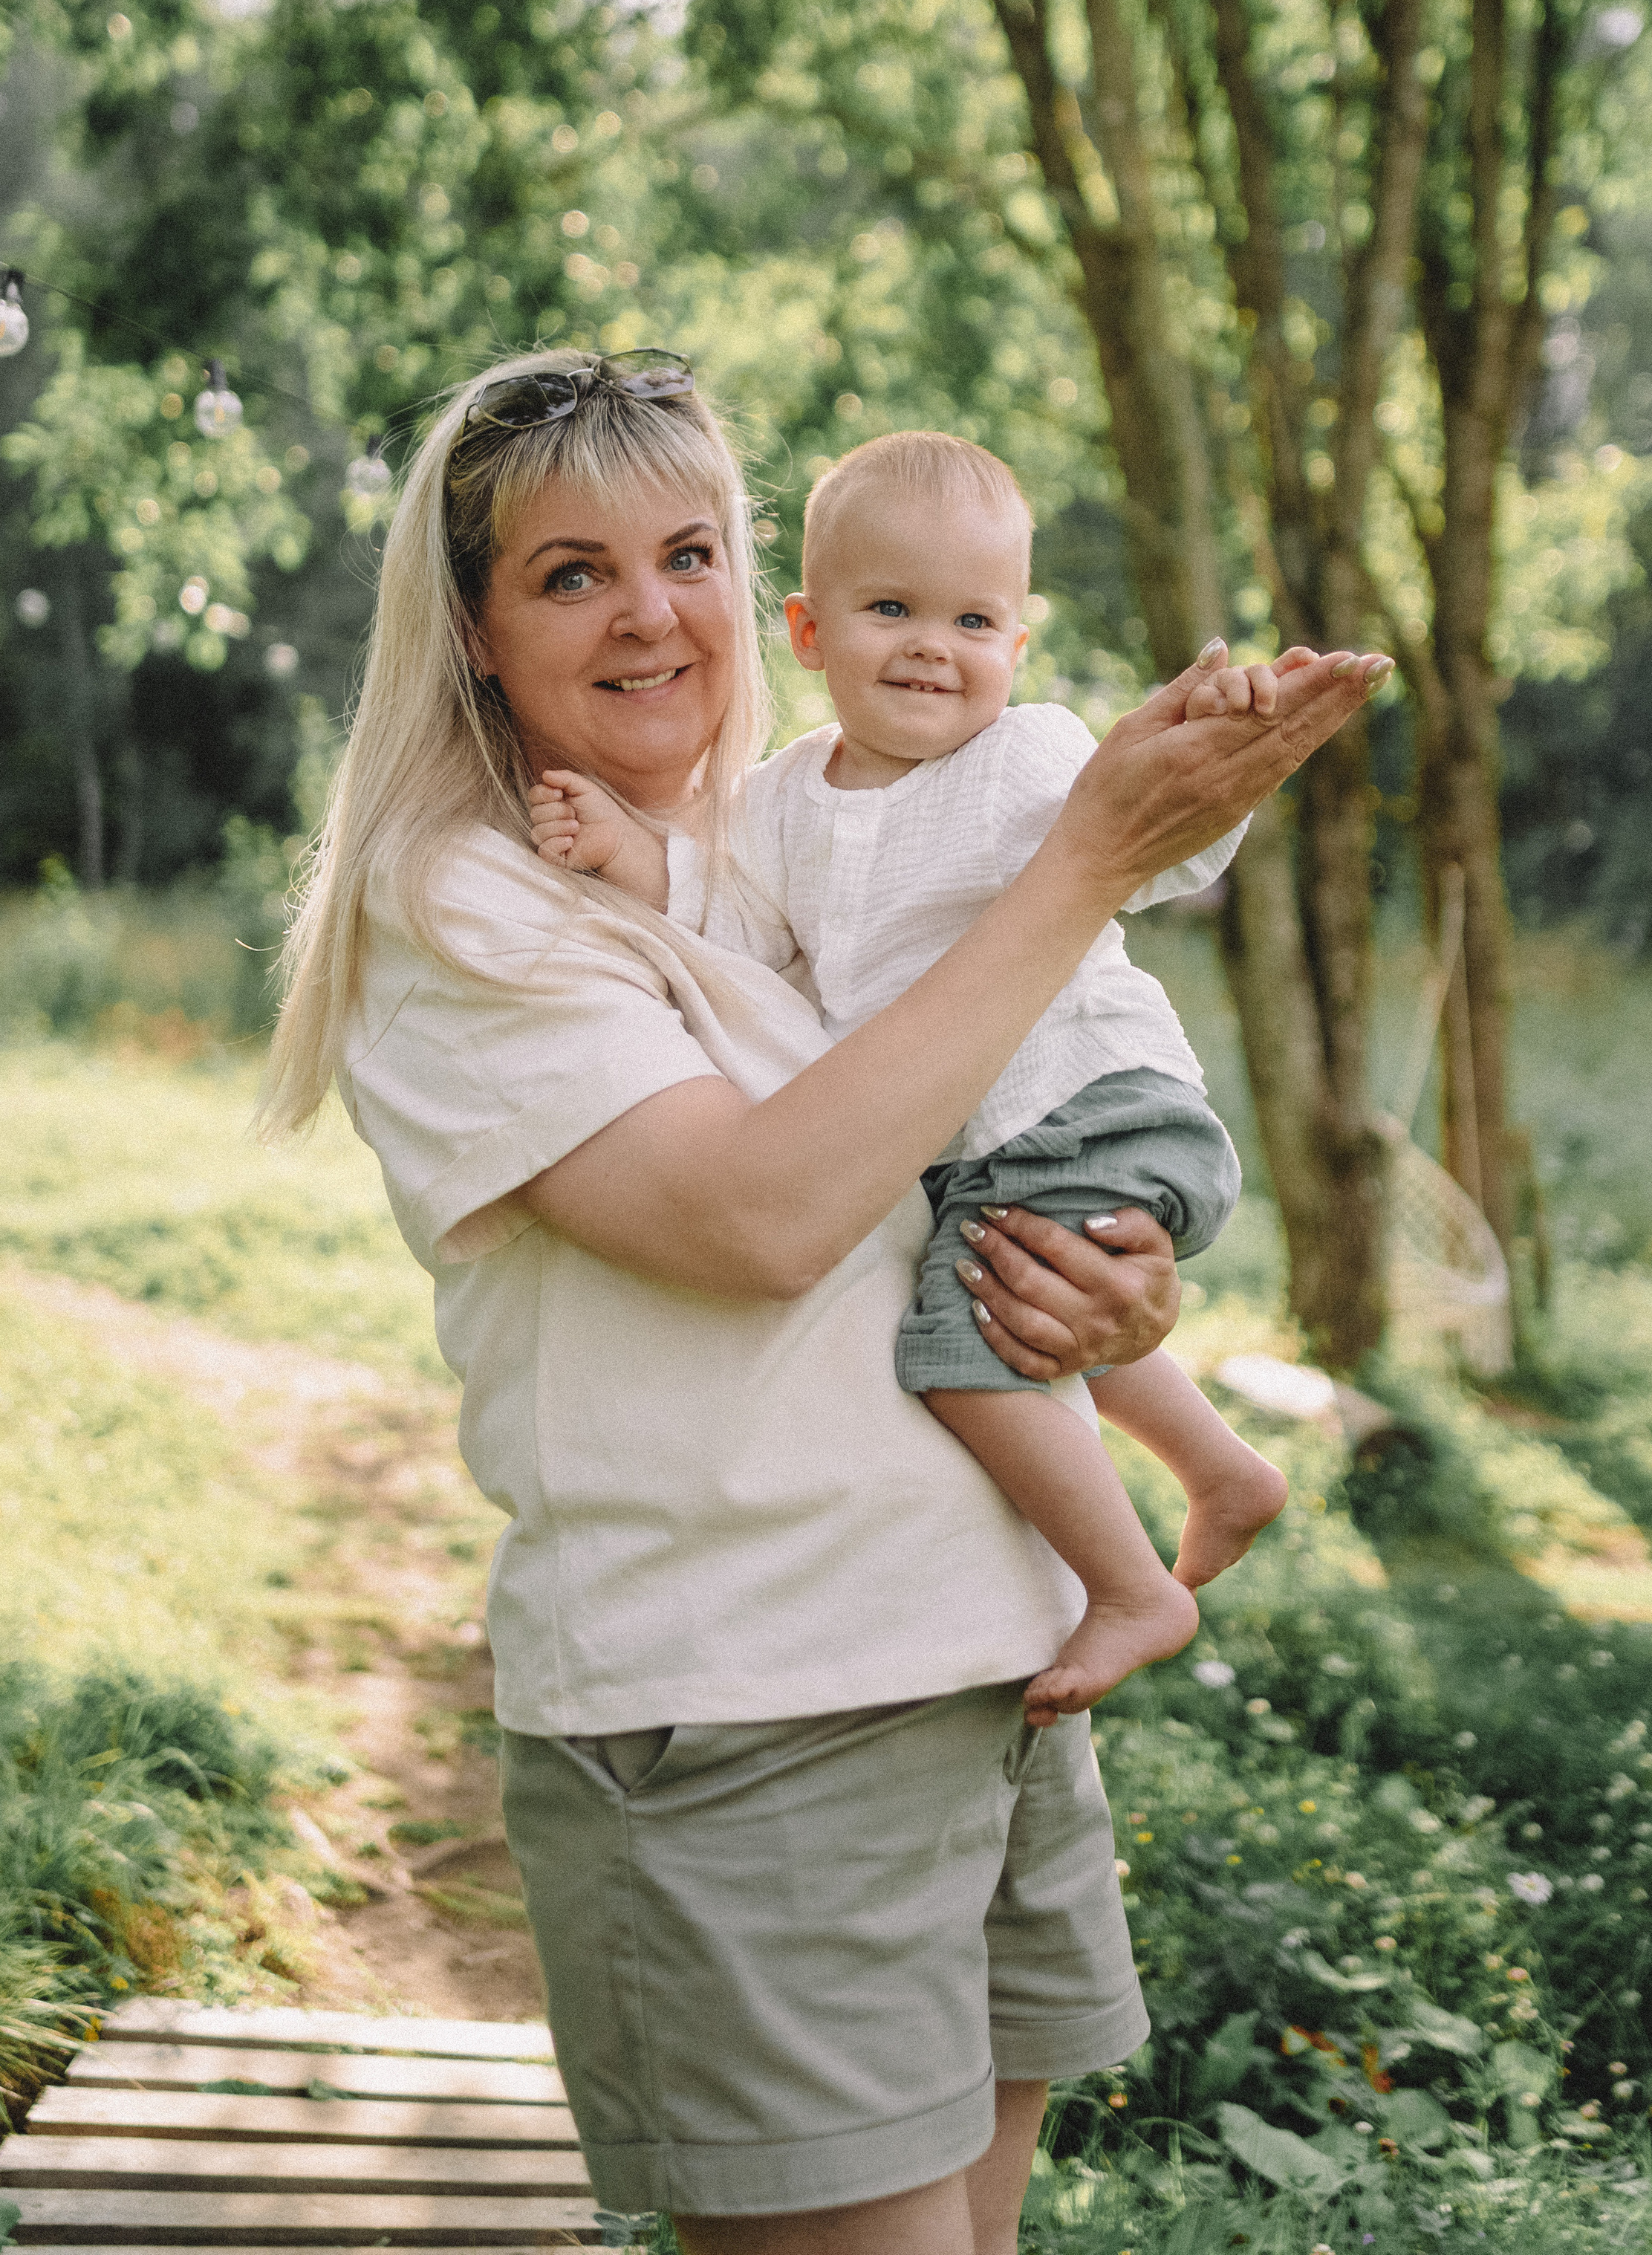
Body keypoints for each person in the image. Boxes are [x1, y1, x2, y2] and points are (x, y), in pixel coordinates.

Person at [261, 348, 1391, 2255]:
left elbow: (915, 1186)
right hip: (751, 1721)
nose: (647, 613)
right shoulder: (460, 904)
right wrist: (1082, 857)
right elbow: (763, 1219)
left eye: (686, 550)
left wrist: (1107, 1306)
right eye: (569, 572)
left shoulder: (777, 866)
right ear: (469, 627)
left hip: (984, 1681)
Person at [528, 429, 1290, 1725]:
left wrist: (1218, 767)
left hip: (1093, 1099)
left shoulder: (1032, 756)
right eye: (893, 610)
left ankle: (1127, 1586)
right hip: (997, 1142)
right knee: (1022, 1299)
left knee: (958, 1351)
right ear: (812, 634)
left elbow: (1161, 850)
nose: (936, 645)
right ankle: (1221, 1470)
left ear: (1017, 646)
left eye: (974, 619)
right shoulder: (775, 802)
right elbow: (725, 912)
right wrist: (622, 849)